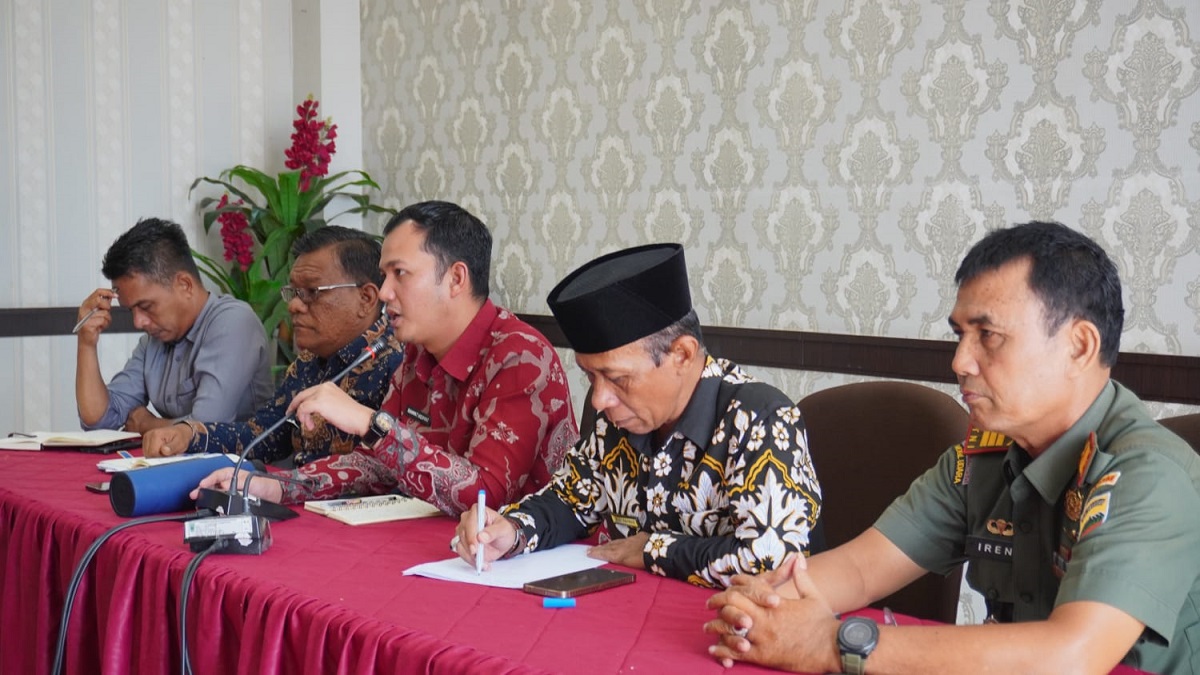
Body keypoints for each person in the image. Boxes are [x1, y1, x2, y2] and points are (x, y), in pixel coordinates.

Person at [705, 222, 1200, 675]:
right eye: (961, 335)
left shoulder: (1148, 474)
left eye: (989, 336)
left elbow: (1069, 656)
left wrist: (833, 645)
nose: (960, 361)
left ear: (1079, 346)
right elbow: (859, 568)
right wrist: (766, 604)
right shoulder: (981, 460)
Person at [454, 243, 822, 589]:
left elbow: (772, 560)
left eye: (617, 379)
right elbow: (568, 501)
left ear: (681, 354)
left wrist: (653, 549)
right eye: (591, 377)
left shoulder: (760, 419)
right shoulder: (619, 420)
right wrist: (511, 530)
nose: (599, 399)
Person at [192, 201, 578, 515]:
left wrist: (370, 423)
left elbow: (486, 494)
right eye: (384, 275)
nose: (385, 292)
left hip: (518, 564)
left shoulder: (520, 357)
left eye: (400, 274)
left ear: (456, 279)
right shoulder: (417, 354)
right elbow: (376, 465)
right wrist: (276, 486)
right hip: (438, 548)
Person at [141, 226, 403, 467]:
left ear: (366, 298)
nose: (294, 306)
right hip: (294, 493)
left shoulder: (397, 364)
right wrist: (190, 434)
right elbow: (264, 435)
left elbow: (384, 471)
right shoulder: (309, 361)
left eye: (312, 292)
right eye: (294, 293)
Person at [75, 217, 272, 433]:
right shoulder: (153, 342)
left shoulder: (234, 322)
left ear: (185, 285)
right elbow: (99, 420)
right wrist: (86, 343)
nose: (138, 322)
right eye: (131, 310)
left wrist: (146, 425)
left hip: (243, 456)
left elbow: (207, 428)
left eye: (146, 306)